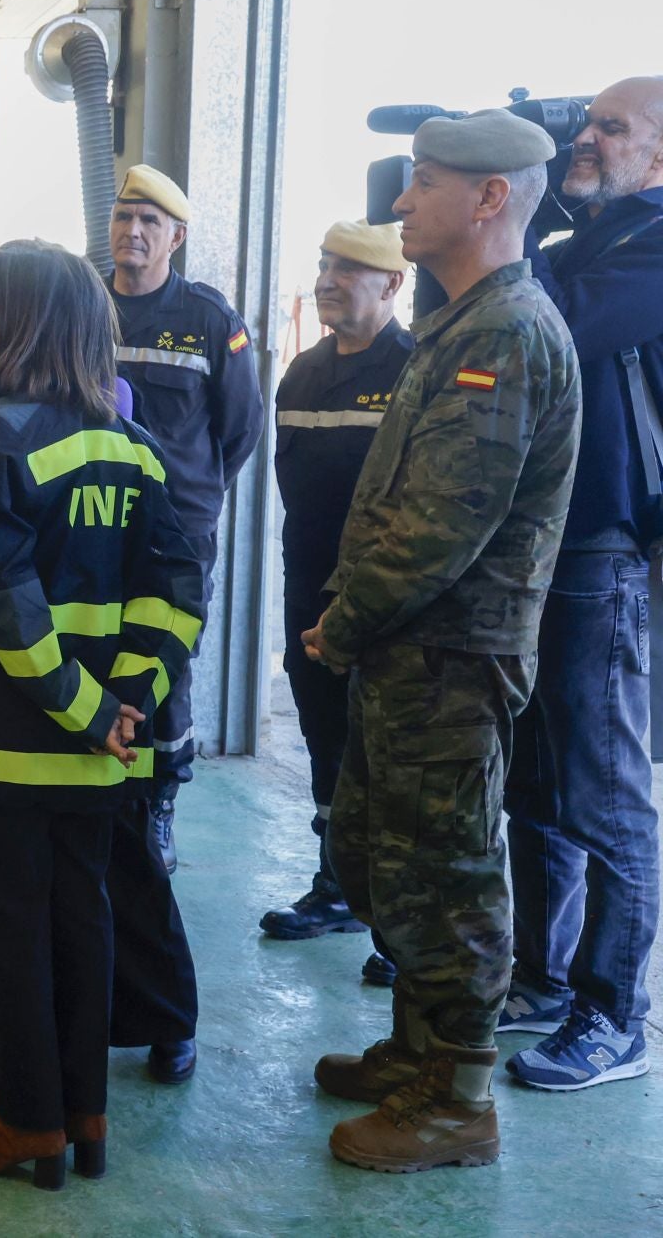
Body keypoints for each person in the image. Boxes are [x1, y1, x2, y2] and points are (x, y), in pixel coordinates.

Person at [303, 110, 580, 1172]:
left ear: (490, 197)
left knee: (449, 871)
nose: (402, 203)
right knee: (388, 858)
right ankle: (417, 1052)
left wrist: (349, 616)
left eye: (423, 184)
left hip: (450, 655)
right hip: (410, 649)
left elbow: (443, 523)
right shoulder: (466, 322)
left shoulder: (505, 333)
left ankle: (459, 1099)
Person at [0, 240, 203, 1185]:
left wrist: (86, 708)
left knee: (11, 933)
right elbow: (176, 591)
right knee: (85, 924)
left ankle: (27, 1125)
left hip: (1, 744)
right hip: (99, 754)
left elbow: (4, 598)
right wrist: (131, 703)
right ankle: (85, 1121)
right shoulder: (136, 447)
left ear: (22, 322)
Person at [502, 75, 663, 1090]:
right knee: (538, 788)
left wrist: (515, 204)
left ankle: (617, 1013)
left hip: (603, 548)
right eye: (586, 123)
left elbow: (547, 339)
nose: (590, 139)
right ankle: (542, 978)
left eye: (615, 127)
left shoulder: (651, 247)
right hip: (542, 544)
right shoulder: (572, 248)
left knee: (608, 796)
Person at [104, 164, 263, 1084]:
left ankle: (159, 804)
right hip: (91, 519)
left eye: (150, 220)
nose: (133, 231)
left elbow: (236, 430)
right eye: (125, 215)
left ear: (175, 238)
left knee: (165, 669)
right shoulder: (87, 307)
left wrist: (190, 499)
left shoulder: (210, 319)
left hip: (176, 527)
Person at [261, 220, 411, 995]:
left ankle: (394, 923)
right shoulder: (303, 374)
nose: (328, 279)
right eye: (323, 264)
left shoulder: (413, 368)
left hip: (382, 600)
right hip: (305, 585)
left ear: (392, 285)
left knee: (381, 755)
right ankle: (338, 887)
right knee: (324, 739)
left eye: (349, 269)